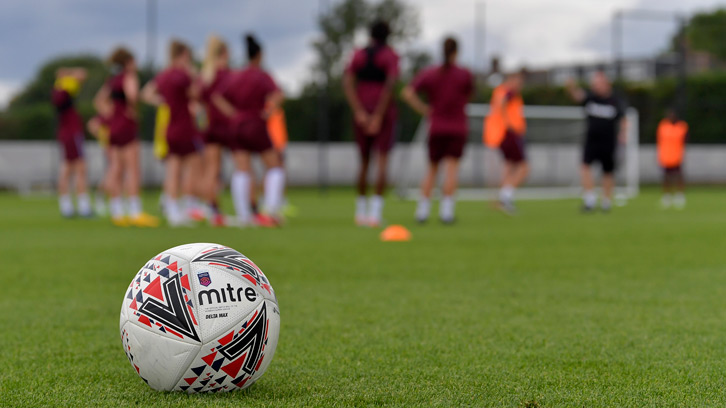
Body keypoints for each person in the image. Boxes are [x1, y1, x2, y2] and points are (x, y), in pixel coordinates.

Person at [212, 34, 285, 227]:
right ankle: (270, 211)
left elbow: (217, 96)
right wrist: (268, 112)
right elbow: (278, 95)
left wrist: (233, 114)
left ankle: (244, 216)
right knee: (275, 166)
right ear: (260, 55)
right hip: (255, 123)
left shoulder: (236, 75)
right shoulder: (261, 75)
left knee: (241, 169)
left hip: (236, 126)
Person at [401, 37, 473, 224]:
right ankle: (446, 213)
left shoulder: (430, 73)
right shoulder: (464, 74)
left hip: (437, 128)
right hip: (457, 128)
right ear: (456, 52)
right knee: (451, 171)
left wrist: (424, 109)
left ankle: (422, 212)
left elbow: (407, 93)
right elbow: (469, 95)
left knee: (431, 170)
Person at [343, 20, 399, 227]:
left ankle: (360, 213)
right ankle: (374, 215)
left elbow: (347, 82)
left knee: (364, 162)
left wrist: (358, 111)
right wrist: (378, 116)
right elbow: (391, 84)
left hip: (362, 114)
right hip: (382, 114)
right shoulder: (390, 55)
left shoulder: (358, 54)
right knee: (382, 161)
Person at [141, 39, 204, 226]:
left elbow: (146, 93)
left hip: (169, 127)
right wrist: (194, 75)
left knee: (172, 170)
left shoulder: (165, 75)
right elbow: (196, 95)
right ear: (183, 55)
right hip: (184, 126)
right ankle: (186, 206)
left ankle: (172, 209)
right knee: (191, 168)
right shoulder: (183, 75)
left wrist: (163, 101)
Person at [94, 47, 159, 227]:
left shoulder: (113, 79)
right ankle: (135, 211)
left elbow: (99, 100)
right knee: (133, 168)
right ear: (128, 62)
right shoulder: (129, 77)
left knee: (115, 168)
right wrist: (132, 109)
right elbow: (132, 95)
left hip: (113, 126)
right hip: (127, 126)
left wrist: (109, 114)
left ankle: (117, 211)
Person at [566, 71, 627, 212]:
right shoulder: (591, 98)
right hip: (591, 141)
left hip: (608, 142)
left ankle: (606, 202)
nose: (595, 87)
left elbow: (623, 118)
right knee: (585, 167)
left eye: (598, 83)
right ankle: (590, 200)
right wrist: (571, 87)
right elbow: (577, 96)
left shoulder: (615, 100)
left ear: (606, 84)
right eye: (594, 84)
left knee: (608, 171)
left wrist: (623, 134)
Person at [484, 71, 528, 214]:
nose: (519, 86)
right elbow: (503, 103)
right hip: (508, 134)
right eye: (518, 82)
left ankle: (504, 199)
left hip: (501, 135)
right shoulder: (509, 92)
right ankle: (505, 196)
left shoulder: (500, 91)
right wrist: (509, 124)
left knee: (508, 165)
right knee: (524, 167)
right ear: (511, 80)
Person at [200, 35, 232, 226]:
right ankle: (216, 208)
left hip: (209, 125)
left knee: (210, 169)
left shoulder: (206, 75)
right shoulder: (224, 74)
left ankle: (210, 207)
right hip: (223, 126)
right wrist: (233, 113)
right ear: (225, 53)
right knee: (221, 169)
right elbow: (221, 98)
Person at [52, 67, 92, 218]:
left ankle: (67, 206)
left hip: (65, 132)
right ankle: (83, 206)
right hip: (72, 132)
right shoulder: (64, 88)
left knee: (67, 168)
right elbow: (82, 75)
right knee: (79, 168)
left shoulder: (59, 89)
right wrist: (69, 74)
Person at [656, 108, 688, 209]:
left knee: (678, 176)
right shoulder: (663, 125)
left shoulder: (681, 126)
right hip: (665, 156)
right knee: (666, 177)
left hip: (677, 156)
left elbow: (685, 140)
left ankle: (680, 195)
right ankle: (667, 196)